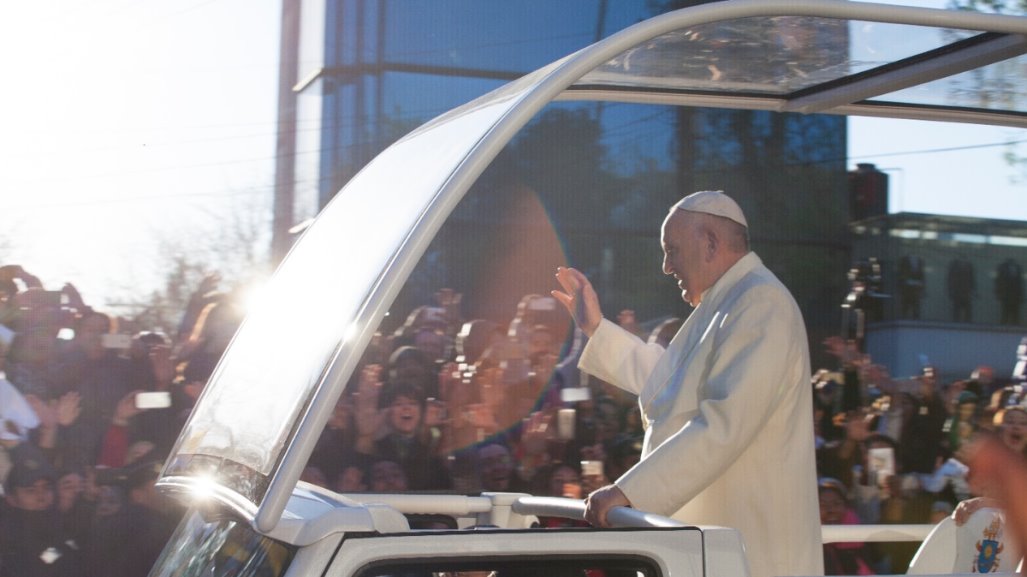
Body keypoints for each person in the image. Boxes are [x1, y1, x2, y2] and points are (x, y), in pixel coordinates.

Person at [551, 190, 822, 577]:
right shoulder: (728, 302)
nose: (666, 266)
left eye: (672, 250)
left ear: (709, 243)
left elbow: (726, 422)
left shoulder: (761, 302)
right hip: (712, 546)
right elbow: (670, 387)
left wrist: (631, 492)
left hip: (749, 550)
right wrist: (596, 329)